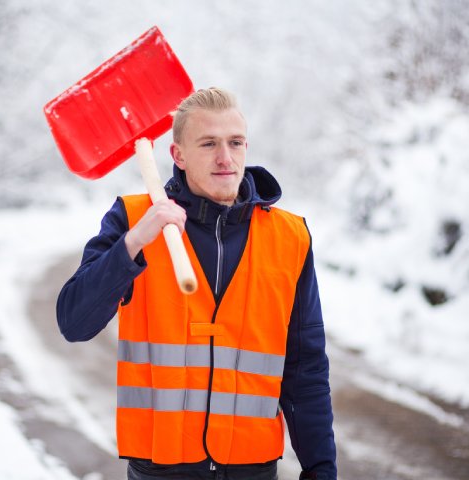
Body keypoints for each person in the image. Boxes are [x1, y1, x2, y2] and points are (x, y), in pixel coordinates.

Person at [57, 87, 336, 480]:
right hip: (162, 467)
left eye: (235, 143)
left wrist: (321, 469)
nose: (226, 158)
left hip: (252, 469)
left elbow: (306, 367)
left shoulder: (290, 237)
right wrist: (134, 243)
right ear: (178, 155)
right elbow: (74, 322)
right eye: (208, 144)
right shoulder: (135, 219)